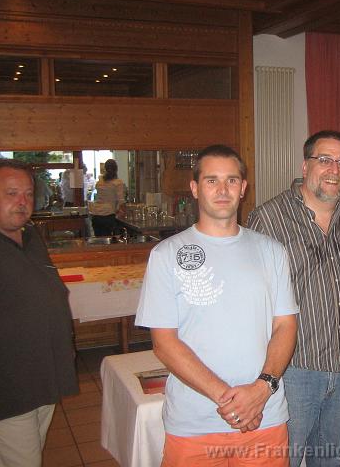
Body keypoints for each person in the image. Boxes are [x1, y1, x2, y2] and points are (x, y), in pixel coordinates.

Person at [135, 145, 298, 466]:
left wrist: (261, 390)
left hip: (264, 417)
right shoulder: (166, 255)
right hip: (194, 423)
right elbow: (164, 343)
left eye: (231, 180)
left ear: (243, 188)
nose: (223, 190)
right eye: (212, 180)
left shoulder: (272, 251)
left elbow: (286, 326)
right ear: (195, 188)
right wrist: (233, 402)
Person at [247, 130, 340, 466]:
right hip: (293, 370)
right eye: (324, 159)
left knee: (329, 460)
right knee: (284, 459)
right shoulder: (269, 218)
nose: (334, 170)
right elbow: (250, 300)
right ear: (305, 165)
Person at [0, 159, 78, 467]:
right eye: (12, 193)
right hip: (6, 385)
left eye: (27, 194)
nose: (23, 202)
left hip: (42, 378)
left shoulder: (30, 235)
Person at [90, 159, 125, 236]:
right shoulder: (118, 183)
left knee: (99, 240)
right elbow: (121, 201)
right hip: (108, 216)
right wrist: (124, 213)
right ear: (116, 169)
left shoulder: (100, 182)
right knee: (109, 241)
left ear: (105, 169)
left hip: (96, 216)